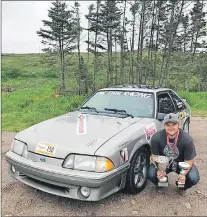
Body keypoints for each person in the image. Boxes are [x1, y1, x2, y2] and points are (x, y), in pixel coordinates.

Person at [147, 113, 200, 190]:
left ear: (178, 125)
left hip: (181, 163)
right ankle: (163, 183)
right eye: (168, 125)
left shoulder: (187, 139)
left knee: (193, 178)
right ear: (164, 126)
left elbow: (189, 161)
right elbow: (154, 156)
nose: (171, 127)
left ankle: (181, 186)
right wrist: (159, 169)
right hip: (164, 164)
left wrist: (183, 174)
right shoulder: (156, 137)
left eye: (174, 124)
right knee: (151, 174)